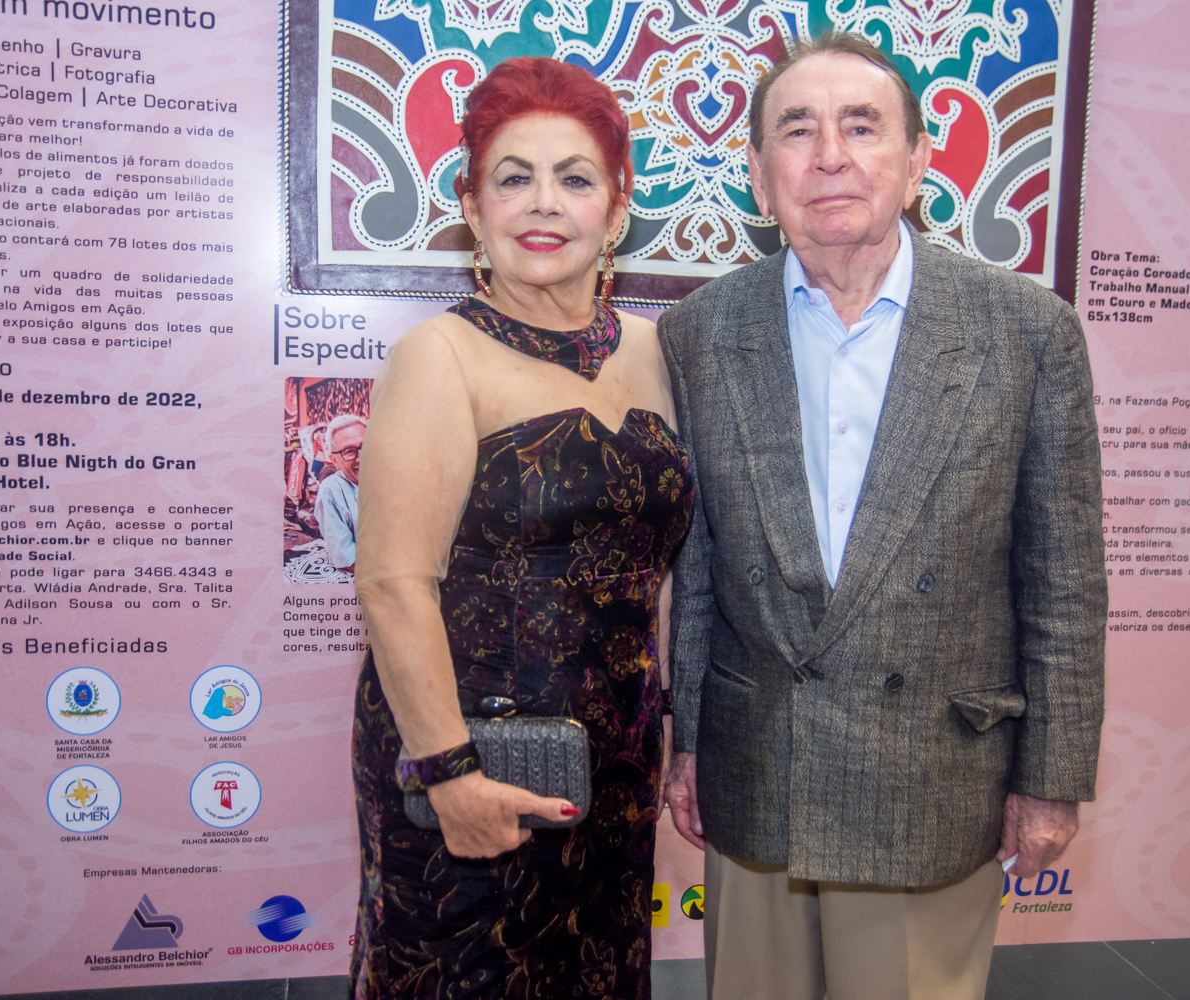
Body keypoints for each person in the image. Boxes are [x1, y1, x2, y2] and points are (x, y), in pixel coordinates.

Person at [658, 32, 1106, 1000]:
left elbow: (1064, 580)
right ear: (758, 175)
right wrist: (688, 740)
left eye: (862, 126)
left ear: (917, 163)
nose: (830, 155)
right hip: (758, 766)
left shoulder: (1027, 332)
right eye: (797, 129)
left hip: (932, 776)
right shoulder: (700, 331)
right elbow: (697, 572)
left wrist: (1052, 776)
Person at [350, 57, 693, 1000]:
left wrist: (674, 729)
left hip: (615, 760)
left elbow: (670, 569)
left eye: (574, 178)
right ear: (473, 205)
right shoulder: (439, 357)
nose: (544, 203)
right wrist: (449, 773)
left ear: (616, 210)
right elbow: (392, 584)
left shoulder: (658, 350)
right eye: (513, 178)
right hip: (473, 755)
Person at [316, 413, 366, 572]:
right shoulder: (331, 492)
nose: (361, 457)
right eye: (349, 451)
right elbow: (349, 559)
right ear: (335, 461)